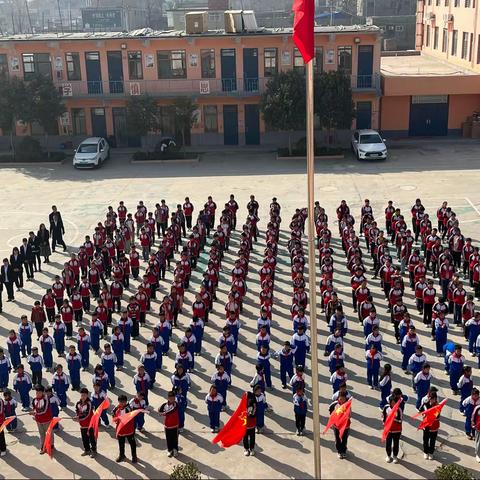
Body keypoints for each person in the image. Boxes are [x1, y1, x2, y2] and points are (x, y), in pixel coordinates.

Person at [113, 394, 137, 463]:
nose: (122, 403)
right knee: (121, 443)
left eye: (123, 402)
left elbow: (128, 417)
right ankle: (122, 455)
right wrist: (115, 419)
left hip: (128, 429)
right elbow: (113, 414)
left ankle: (134, 456)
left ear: (126, 402)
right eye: (120, 402)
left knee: (132, 443)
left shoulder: (128, 408)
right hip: (120, 429)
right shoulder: (116, 408)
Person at [31, 384, 53, 454]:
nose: (37, 394)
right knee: (41, 434)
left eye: (39, 392)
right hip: (39, 420)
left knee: (49, 433)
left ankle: (51, 445)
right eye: (36, 393)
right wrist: (34, 412)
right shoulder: (34, 400)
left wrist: (35, 413)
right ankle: (43, 447)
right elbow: (34, 408)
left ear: (43, 392)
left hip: (47, 420)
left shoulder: (46, 399)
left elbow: (44, 410)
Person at [74, 388, 97, 458]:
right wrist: (77, 416)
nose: (83, 397)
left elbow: (87, 414)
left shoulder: (89, 403)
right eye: (82, 395)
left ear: (87, 395)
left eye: (84, 395)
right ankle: (87, 450)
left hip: (89, 424)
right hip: (82, 425)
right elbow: (77, 411)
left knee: (92, 438)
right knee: (84, 438)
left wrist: (79, 418)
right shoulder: (78, 403)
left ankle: (94, 451)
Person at [329, 392, 351, 459]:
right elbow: (331, 411)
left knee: (344, 439)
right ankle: (339, 452)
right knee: (338, 439)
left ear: (345, 399)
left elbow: (349, 415)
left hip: (345, 425)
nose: (342, 400)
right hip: (337, 425)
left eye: (343, 399)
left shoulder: (348, 405)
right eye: (340, 399)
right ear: (338, 398)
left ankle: (343, 452)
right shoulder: (335, 405)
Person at [420, 391, 441, 460]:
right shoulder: (425, 404)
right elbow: (420, 410)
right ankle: (426, 452)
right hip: (426, 426)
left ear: (435, 399)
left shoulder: (437, 406)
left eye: (433, 399)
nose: (432, 400)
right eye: (431, 398)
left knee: (432, 440)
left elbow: (437, 416)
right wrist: (424, 414)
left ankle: (431, 453)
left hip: (434, 426)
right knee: (425, 440)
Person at [158, 391, 180, 458]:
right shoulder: (164, 405)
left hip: (174, 425)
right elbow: (159, 411)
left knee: (175, 438)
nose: (172, 400)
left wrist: (163, 413)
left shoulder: (175, 405)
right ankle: (170, 450)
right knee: (168, 438)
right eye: (170, 398)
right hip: (167, 425)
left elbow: (171, 411)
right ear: (168, 398)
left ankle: (175, 450)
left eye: (173, 398)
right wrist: (159, 412)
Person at [383, 397, 403, 463]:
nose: (393, 404)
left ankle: (395, 456)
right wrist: (384, 423)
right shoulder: (386, 407)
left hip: (397, 430)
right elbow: (383, 417)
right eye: (392, 402)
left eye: (394, 402)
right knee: (388, 443)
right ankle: (388, 456)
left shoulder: (399, 409)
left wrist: (393, 418)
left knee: (396, 443)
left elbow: (400, 420)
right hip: (388, 430)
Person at [243, 392, 257, 456]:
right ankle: (246, 448)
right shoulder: (243, 405)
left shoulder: (254, 405)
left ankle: (252, 448)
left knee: (252, 437)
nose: (249, 400)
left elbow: (254, 414)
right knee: (245, 437)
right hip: (245, 424)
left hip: (252, 424)